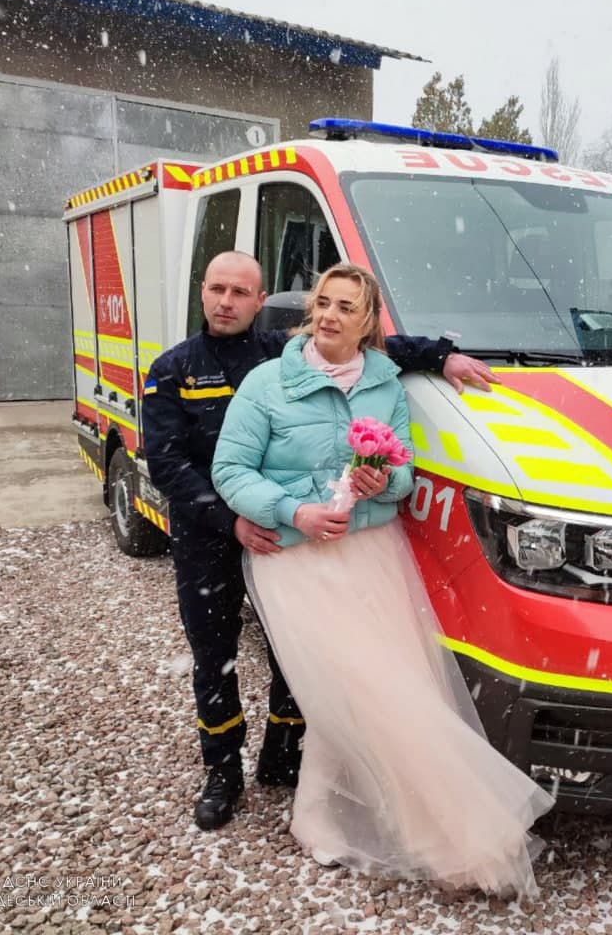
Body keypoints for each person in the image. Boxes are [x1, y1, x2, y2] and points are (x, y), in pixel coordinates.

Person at [211, 263, 554, 898]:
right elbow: (231, 470)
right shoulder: (267, 382)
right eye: (324, 303)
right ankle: (349, 819)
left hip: (372, 554)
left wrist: (381, 480)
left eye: (347, 307)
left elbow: (403, 474)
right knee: (350, 691)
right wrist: (294, 511)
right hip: (296, 559)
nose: (331, 316)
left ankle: (388, 823)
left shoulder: (384, 382)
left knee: (397, 689)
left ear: (368, 321)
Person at [143, 250, 498, 832]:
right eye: (218, 289)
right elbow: (167, 465)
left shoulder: (276, 350)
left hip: (286, 536)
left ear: (262, 302)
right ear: (202, 291)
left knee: (297, 654)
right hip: (210, 536)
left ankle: (282, 755)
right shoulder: (173, 368)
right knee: (214, 657)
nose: (227, 302)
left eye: (241, 292)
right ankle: (222, 772)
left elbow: (379, 344)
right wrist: (231, 521)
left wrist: (442, 355)